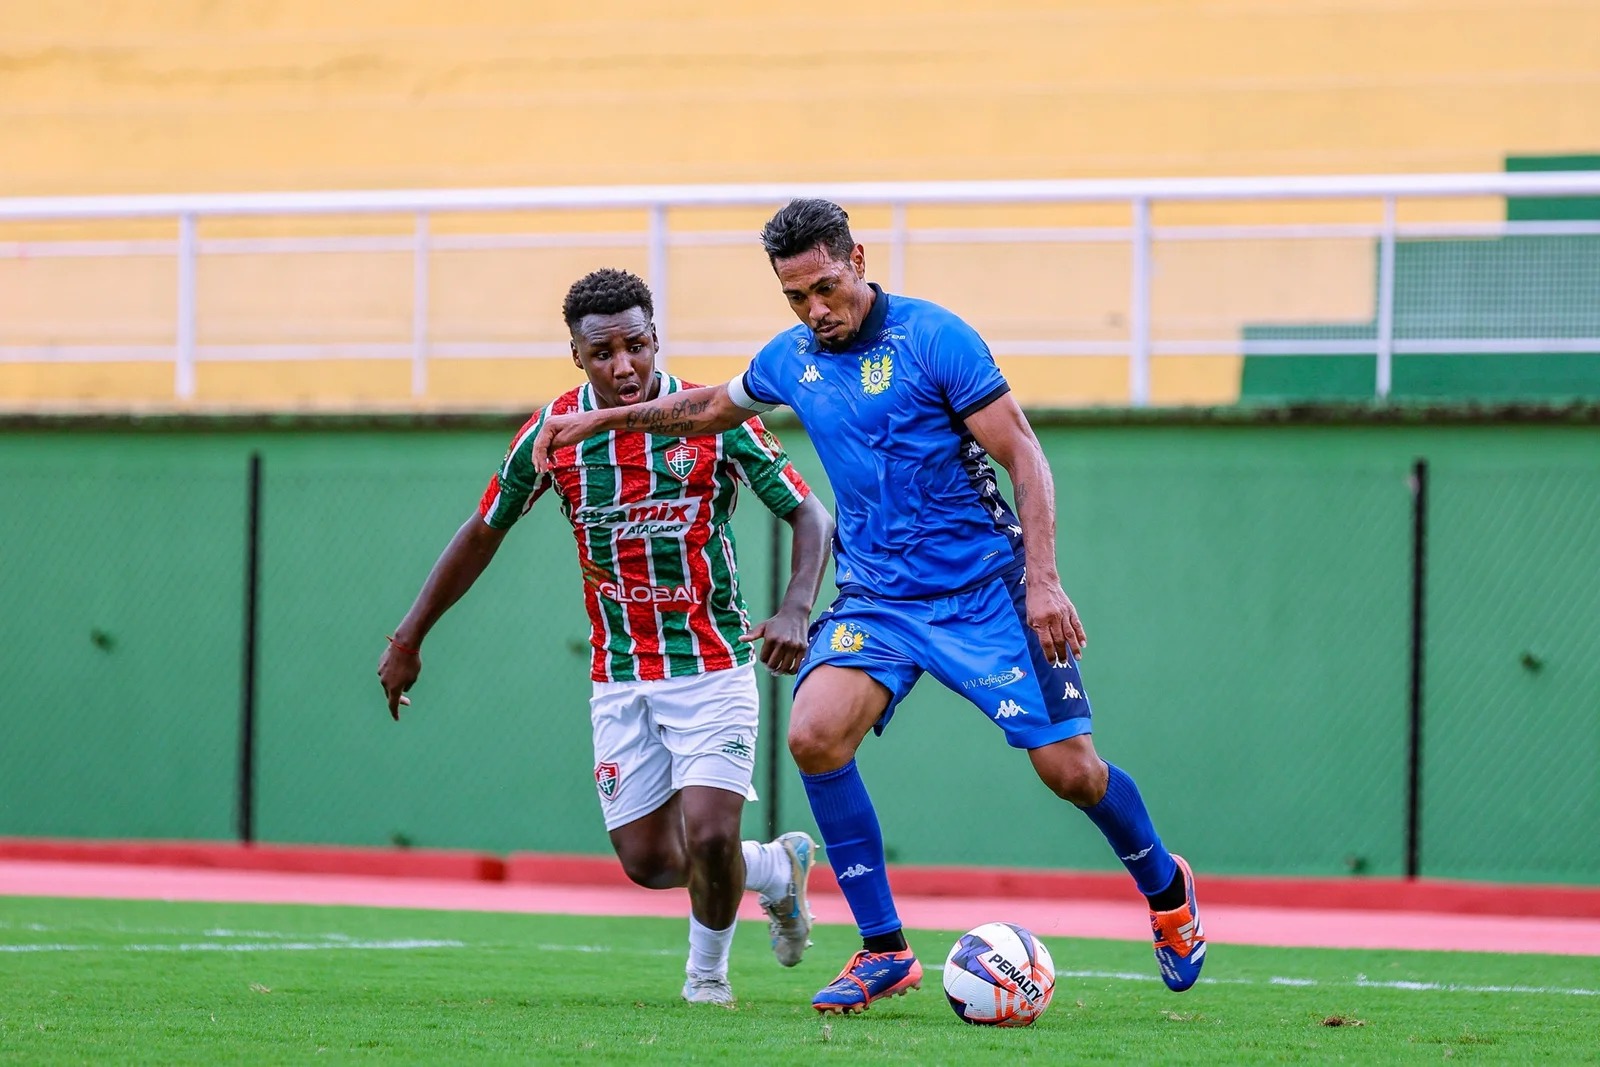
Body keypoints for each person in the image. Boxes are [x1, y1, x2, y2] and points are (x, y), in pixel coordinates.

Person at [530, 201, 1207, 1015]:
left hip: (984, 591)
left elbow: (1022, 451)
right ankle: (884, 948)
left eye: (826, 286)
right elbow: (711, 407)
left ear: (856, 258)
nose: (816, 310)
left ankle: (1168, 892)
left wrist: (1045, 577)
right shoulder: (793, 358)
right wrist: (601, 419)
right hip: (879, 600)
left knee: (1071, 772)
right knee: (813, 735)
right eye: (796, 297)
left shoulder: (934, 338)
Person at [377, 267, 836, 1007]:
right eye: (603, 353)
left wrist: (796, 607)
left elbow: (812, 515)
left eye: (637, 345)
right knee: (650, 861)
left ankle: (707, 981)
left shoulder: (715, 417)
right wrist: (410, 636)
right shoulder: (552, 435)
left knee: (711, 836)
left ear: (656, 339)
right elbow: (481, 532)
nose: (624, 366)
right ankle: (776, 870)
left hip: (712, 663)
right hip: (621, 675)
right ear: (577, 357)